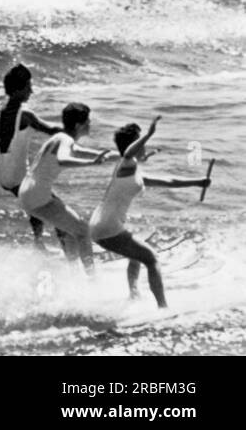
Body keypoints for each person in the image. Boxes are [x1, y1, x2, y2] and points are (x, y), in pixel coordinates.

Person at [88, 116, 211, 308]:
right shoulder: (126, 163)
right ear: (136, 145)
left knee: (137, 256)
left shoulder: (132, 173)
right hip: (107, 225)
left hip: (100, 225)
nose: (144, 146)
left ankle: (134, 295)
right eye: (141, 142)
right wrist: (149, 133)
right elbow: (129, 154)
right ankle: (163, 308)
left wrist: (198, 182)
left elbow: (169, 181)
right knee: (152, 259)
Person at [17, 102, 114, 274]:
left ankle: (72, 272)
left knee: (72, 228)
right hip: (37, 196)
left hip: (30, 193)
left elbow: (92, 154)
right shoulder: (66, 140)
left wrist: (128, 156)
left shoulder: (60, 138)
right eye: (88, 121)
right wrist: (91, 163)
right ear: (79, 125)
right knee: (83, 231)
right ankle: (92, 279)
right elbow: (62, 159)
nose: (90, 124)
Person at [0, 64, 66, 250]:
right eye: (28, 87)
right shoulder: (25, 114)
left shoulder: (6, 110)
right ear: (18, 90)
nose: (32, 91)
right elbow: (50, 130)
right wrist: (73, 128)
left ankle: (39, 244)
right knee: (58, 209)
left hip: (5, 172)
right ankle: (71, 254)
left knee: (36, 204)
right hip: (16, 174)